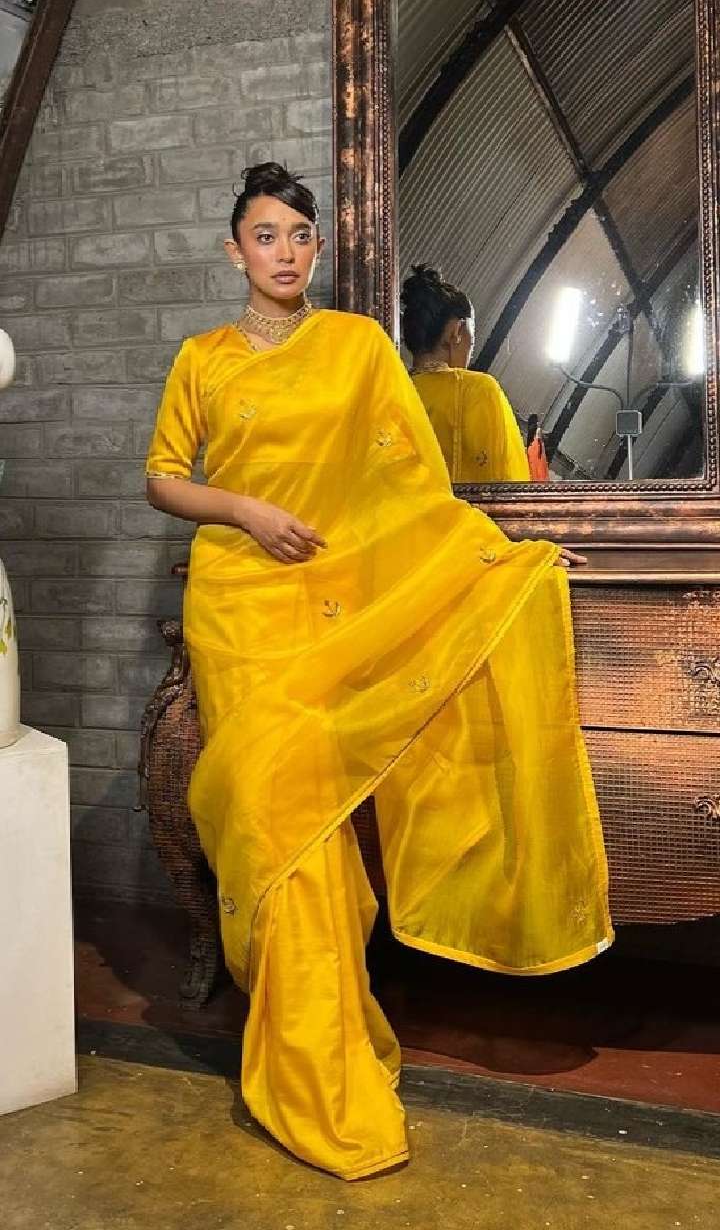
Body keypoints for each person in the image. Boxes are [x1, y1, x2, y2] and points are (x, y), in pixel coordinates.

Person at [145, 162, 612, 1181]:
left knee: (310, 832)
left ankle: (322, 1053)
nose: (283, 252)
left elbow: (413, 488)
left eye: (298, 235)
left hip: (330, 606)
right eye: (264, 235)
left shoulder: (358, 348)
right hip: (236, 606)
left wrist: (499, 557)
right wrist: (245, 510)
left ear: (317, 248)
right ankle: (303, 1049)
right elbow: (164, 477)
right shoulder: (201, 360)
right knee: (267, 816)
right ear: (235, 250)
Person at [402, 265, 529, 482]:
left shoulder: (389, 393)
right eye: (472, 337)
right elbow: (508, 484)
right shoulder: (476, 390)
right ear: (457, 332)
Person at [527, 414, 550, 482]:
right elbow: (541, 438)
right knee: (539, 465)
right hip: (537, 447)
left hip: (531, 447)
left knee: (533, 464)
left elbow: (529, 441)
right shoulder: (538, 429)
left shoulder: (530, 429)